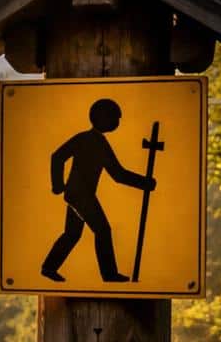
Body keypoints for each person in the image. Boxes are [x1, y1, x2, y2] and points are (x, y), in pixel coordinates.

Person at [40, 98, 157, 283]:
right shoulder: (92, 141)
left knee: (72, 234)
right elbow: (57, 157)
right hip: (81, 195)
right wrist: (57, 184)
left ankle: (48, 267)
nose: (117, 123)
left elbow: (117, 174)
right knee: (102, 230)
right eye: (115, 119)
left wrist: (144, 183)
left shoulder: (94, 140)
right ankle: (109, 274)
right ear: (104, 119)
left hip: (76, 194)